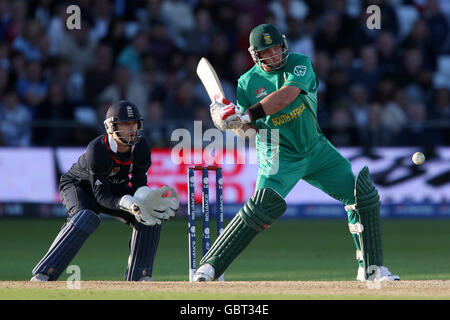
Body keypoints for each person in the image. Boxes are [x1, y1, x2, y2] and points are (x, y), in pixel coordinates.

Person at [195, 24, 399, 282]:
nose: (275, 55)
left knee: (362, 196)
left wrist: (245, 113)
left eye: (277, 48)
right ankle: (211, 267)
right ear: (255, 55)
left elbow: (285, 97)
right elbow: (248, 132)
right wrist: (229, 122)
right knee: (261, 208)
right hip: (278, 153)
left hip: (316, 148)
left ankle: (371, 270)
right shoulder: (247, 83)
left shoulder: (300, 64)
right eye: (267, 52)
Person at [30, 100, 179, 282]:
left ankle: (139, 277)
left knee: (149, 218)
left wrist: (144, 200)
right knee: (86, 217)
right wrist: (128, 203)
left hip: (113, 188)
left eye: (133, 123)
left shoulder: (142, 146)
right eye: (124, 124)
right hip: (79, 186)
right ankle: (44, 273)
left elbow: (139, 182)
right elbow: (100, 196)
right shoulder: (97, 149)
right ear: (111, 127)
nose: (131, 129)